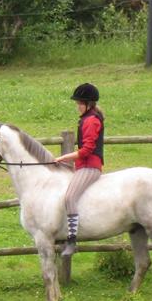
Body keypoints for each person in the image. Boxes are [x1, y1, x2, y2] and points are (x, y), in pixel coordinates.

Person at [53, 83, 104, 257]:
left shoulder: (91, 121)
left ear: (88, 104)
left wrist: (63, 158)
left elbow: (86, 150)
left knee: (69, 197)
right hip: (83, 166)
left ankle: (72, 240)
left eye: (80, 103)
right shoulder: (87, 118)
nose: (78, 106)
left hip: (90, 167)